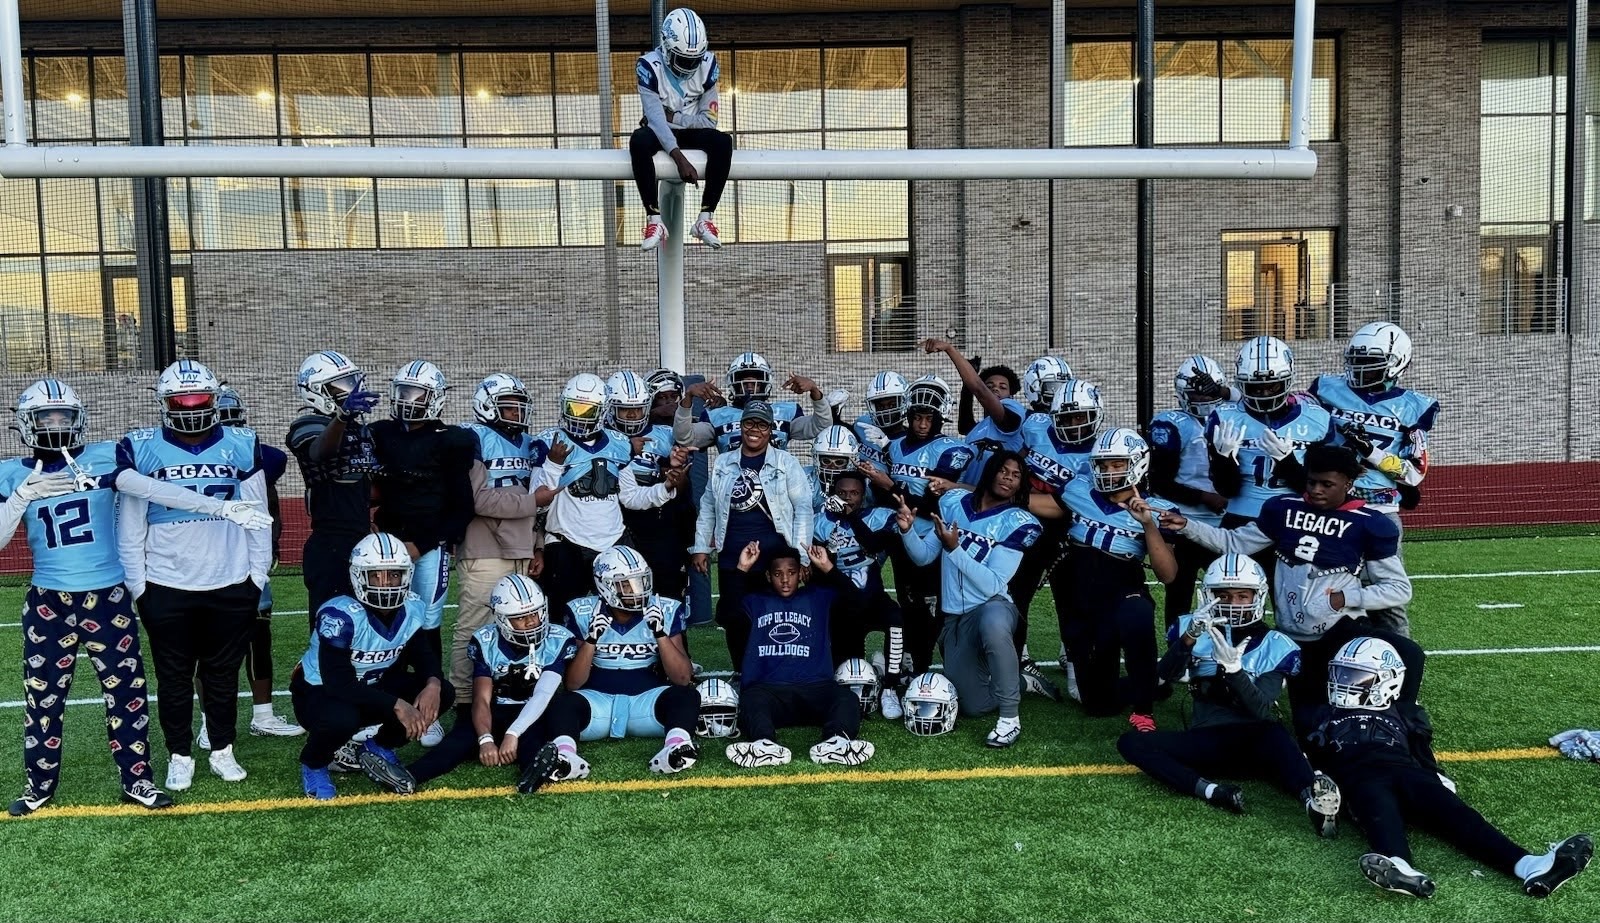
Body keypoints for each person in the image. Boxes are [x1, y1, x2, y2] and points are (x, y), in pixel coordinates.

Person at [5, 378, 270, 815]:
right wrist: (19, 497)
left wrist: (219, 507)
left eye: (62, 416)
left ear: (78, 419)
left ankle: (138, 780)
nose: (54, 425)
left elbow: (151, 489)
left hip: (107, 595)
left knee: (127, 694)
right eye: (44, 417)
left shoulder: (107, 454)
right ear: (25, 422)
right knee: (43, 695)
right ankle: (38, 786)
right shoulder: (11, 471)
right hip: (48, 598)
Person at [1158, 443, 1422, 737]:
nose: (1317, 490)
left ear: (1348, 484)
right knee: (1308, 726)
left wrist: (1346, 597)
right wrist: (1187, 526)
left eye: (1327, 484)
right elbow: (1235, 544)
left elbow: (1398, 589)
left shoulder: (1371, 524)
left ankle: (1409, 726)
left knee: (1406, 657)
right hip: (1293, 638)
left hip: (1340, 632)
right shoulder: (1283, 508)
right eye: (1312, 481)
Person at [1304, 637, 1592, 900]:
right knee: (1376, 804)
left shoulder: (1404, 713)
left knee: (1454, 812)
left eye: (1356, 677)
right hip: (1358, 775)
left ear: (1387, 681)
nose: (1344, 683)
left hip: (1407, 772)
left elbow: (1421, 752)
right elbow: (1314, 757)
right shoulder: (1323, 713)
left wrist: (1438, 775)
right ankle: (1399, 864)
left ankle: (1530, 865)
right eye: (1341, 674)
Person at [117, 359, 274, 792]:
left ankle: (222, 749)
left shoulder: (241, 442)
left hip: (229, 580)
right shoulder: (141, 445)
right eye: (179, 399)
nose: (189, 406)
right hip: (166, 582)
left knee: (222, 675)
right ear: (164, 403)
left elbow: (258, 512)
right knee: (173, 678)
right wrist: (139, 586)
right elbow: (131, 524)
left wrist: (255, 577)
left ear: (213, 399)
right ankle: (180, 755)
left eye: (199, 398)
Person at [1116, 554, 1342, 835]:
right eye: (1224, 596)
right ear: (1209, 596)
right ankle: (1213, 792)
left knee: (1274, 733)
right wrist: (1188, 639)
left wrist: (1234, 672)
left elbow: (1262, 711)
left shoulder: (1277, 645)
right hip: (1207, 739)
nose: (1233, 604)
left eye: (1242, 596)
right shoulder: (1192, 629)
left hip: (1255, 741)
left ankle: (1312, 800)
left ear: (1257, 597)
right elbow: (1160, 681)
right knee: (1131, 743)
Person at [1028, 428, 1178, 732]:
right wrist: (971, 490)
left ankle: (1144, 709)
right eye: (1103, 465)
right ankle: (1151, 681)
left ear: (1137, 463)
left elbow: (1168, 574)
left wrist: (1148, 525)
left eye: (1117, 464)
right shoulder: (1079, 489)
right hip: (1081, 590)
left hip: (1124, 585)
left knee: (1137, 616)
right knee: (1098, 705)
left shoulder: (1158, 508)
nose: (1108, 472)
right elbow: (1030, 501)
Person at [291, 533, 453, 800]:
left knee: (443, 692)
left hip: (370, 686)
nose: (385, 583)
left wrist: (433, 683)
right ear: (358, 576)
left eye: (393, 575)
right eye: (375, 575)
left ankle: (378, 746)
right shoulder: (340, 615)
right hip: (319, 693)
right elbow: (338, 683)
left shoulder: (411, 607)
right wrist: (398, 705)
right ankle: (314, 763)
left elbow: (423, 654)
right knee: (342, 719)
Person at [898, 450, 1040, 747]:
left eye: (1016, 475)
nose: (1008, 478)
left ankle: (1009, 718)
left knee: (993, 622)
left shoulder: (1019, 521)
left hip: (993, 606)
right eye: (1003, 470)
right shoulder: (952, 504)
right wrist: (908, 531)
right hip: (955, 615)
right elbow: (924, 557)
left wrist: (955, 550)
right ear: (990, 472)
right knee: (972, 706)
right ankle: (1023, 682)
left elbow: (993, 584)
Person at [369, 359, 477, 746]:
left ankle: (429, 710)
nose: (408, 400)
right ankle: (387, 702)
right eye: (403, 392)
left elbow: (461, 509)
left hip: (429, 547)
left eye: (417, 394)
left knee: (427, 624)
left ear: (435, 399)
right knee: (383, 620)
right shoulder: (381, 432)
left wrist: (423, 545)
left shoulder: (452, 440)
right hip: (387, 546)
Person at [1307, 322, 1439, 638]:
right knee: (1322, 591)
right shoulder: (1326, 388)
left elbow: (1415, 472)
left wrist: (1371, 451)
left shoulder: (1414, 406)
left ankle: (1399, 663)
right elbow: (1291, 408)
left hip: (1379, 510)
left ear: (1396, 364)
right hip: (1330, 508)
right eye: (1356, 361)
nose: (1359, 369)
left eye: (1370, 363)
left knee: (1387, 599)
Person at [407, 574, 578, 792]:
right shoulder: (485, 640)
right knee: (456, 741)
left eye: (535, 613)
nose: (531, 621)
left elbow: (542, 695)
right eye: (520, 617)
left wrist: (512, 733)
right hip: (496, 712)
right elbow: (482, 699)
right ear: (501, 619)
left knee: (534, 746)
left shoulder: (558, 638)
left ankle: (534, 776)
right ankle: (409, 775)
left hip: (535, 713)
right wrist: (486, 739)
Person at [542, 547, 700, 780]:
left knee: (686, 695)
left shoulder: (665, 608)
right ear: (605, 585)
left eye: (641, 581)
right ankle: (565, 757)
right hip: (597, 704)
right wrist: (591, 640)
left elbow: (682, 678)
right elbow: (574, 684)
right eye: (627, 584)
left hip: (648, 703)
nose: (639, 590)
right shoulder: (581, 611)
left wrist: (660, 633)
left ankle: (675, 747)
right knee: (562, 703)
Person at [721, 542, 876, 768]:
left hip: (815, 688)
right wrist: (742, 569)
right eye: (778, 574)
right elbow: (725, 614)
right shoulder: (756, 601)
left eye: (791, 573)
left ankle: (837, 742)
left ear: (801, 573)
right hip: (769, 690)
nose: (785, 580)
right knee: (751, 700)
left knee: (847, 698)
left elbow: (859, 604)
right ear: (767, 576)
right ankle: (764, 744)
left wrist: (827, 567)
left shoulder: (818, 597)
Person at [536, 373, 680, 614]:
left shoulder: (619, 442)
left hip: (612, 542)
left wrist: (665, 489)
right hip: (566, 543)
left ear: (602, 410)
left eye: (587, 410)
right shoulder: (549, 441)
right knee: (563, 617)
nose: (578, 416)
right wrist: (552, 464)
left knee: (628, 612)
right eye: (574, 408)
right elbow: (539, 501)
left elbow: (630, 497)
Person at [863, 374, 975, 682]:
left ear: (939, 418)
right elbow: (891, 498)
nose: (922, 424)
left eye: (928, 418)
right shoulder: (896, 446)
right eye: (916, 417)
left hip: (934, 536)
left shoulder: (952, 449)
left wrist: (889, 483)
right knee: (908, 600)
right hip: (904, 532)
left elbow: (933, 503)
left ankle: (927, 666)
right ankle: (912, 662)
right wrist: (888, 489)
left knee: (933, 606)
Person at [1206, 336, 1335, 591]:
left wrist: (1288, 464)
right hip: (1242, 519)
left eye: (1272, 387)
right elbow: (1227, 490)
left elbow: (1320, 493)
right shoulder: (1224, 417)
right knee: (1235, 600)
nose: (1264, 393)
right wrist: (1224, 461)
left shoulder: (1317, 419)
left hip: (1297, 520)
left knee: (1298, 605)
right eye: (1255, 388)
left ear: (1287, 381)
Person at [690, 400, 814, 665]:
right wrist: (701, 547)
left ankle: (775, 672)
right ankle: (741, 672)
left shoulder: (785, 462)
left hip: (775, 559)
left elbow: (803, 508)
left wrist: (803, 557)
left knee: (776, 618)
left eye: (761, 424)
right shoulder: (723, 463)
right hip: (732, 557)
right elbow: (709, 507)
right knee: (735, 619)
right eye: (749, 423)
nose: (754, 429)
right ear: (741, 426)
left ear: (770, 430)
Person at [453, 373, 546, 717]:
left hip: (521, 547)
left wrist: (537, 545)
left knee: (525, 624)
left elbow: (530, 496)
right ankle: (464, 700)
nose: (515, 414)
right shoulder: (473, 438)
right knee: (475, 626)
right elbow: (479, 500)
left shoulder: (527, 442)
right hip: (484, 548)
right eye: (507, 407)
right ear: (486, 406)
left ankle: (515, 691)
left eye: (519, 407)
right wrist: (532, 503)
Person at [213, 385, 303, 740]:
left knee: (258, 636)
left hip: (247, 556)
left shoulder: (262, 456)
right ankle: (211, 721)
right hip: (205, 558)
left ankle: (263, 714)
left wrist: (272, 544)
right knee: (210, 643)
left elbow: (271, 503)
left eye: (233, 420)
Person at [1010, 376, 1103, 692]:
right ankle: (1015, 661)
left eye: (1081, 417)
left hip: (1065, 528)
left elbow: (1063, 507)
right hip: (1024, 522)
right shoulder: (1036, 426)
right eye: (1067, 418)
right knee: (1016, 593)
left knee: (1071, 599)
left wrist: (1017, 497)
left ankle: (1078, 667)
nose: (1075, 424)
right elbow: (1020, 460)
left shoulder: (1096, 456)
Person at [287, 350, 381, 618]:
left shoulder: (358, 429)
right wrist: (341, 417)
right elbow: (320, 452)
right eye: (340, 387)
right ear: (315, 391)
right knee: (330, 623)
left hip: (362, 534)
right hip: (330, 540)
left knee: (367, 620)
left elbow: (364, 482)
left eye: (351, 383)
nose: (349, 392)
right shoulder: (306, 425)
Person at [632, 6, 731, 251]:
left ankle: (705, 217)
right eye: (684, 59)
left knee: (723, 142)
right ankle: (654, 220)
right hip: (659, 132)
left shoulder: (708, 66)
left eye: (694, 60)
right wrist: (679, 159)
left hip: (686, 131)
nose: (690, 66)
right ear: (667, 49)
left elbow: (709, 121)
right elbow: (655, 121)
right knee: (639, 141)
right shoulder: (649, 67)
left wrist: (673, 116)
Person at [1147, 356, 1232, 631]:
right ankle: (1177, 653)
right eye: (1196, 392)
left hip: (1222, 524)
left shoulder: (1233, 414)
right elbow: (1160, 481)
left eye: (1209, 391)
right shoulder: (1172, 424)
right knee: (1179, 592)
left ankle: (1224, 650)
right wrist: (1205, 498)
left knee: (1228, 589)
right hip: (1182, 521)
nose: (1203, 398)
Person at [813, 469, 904, 718]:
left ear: (863, 495)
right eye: (842, 492)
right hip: (844, 602)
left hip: (872, 597)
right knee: (849, 667)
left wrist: (851, 517)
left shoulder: (877, 516)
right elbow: (822, 571)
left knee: (895, 617)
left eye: (854, 493)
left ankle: (891, 688)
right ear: (833, 493)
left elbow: (875, 545)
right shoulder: (819, 522)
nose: (848, 497)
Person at [614, 369, 695, 605]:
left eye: (673, 398)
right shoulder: (609, 438)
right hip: (622, 524)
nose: (632, 415)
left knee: (669, 600)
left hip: (663, 525)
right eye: (661, 398)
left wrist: (669, 471)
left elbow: (681, 487)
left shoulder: (669, 434)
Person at [675, 352, 831, 452]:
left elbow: (821, 426)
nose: (749, 385)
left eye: (755, 379)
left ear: (765, 382)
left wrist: (814, 391)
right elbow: (685, 438)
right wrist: (687, 398)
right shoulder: (718, 415)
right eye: (743, 379)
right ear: (733, 383)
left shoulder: (785, 412)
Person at [923, 338, 1026, 471]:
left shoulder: (1013, 420)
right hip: (970, 490)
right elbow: (964, 426)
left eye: (1002, 387)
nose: (995, 389)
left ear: (1011, 396)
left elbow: (979, 390)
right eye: (990, 386)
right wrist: (967, 386)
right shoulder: (978, 428)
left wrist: (949, 348)